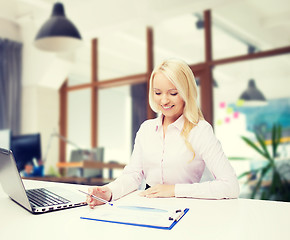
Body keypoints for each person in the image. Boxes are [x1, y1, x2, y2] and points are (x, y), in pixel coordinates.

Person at [87, 58, 240, 208]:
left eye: (173, 93)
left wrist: (173, 190)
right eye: (158, 92)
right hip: (147, 209)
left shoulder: (200, 131)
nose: (164, 100)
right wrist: (108, 192)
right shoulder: (146, 130)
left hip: (185, 211)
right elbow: (133, 175)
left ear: (186, 93)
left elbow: (230, 186)